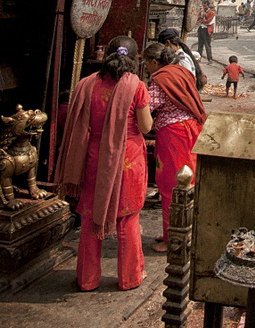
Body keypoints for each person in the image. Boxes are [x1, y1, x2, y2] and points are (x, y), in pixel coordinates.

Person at [55, 36, 152, 292]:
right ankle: (129, 277)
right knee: (127, 219)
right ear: (133, 58)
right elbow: (146, 126)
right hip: (127, 159)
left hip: (94, 156)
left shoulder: (86, 84)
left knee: (89, 218)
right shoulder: (137, 86)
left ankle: (87, 279)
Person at [142, 41, 207, 253]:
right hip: (190, 129)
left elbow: (147, 107)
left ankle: (173, 239)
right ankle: (181, 231)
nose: (146, 68)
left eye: (146, 63)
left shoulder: (161, 79)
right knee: (189, 183)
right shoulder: (181, 71)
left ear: (154, 62)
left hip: (174, 135)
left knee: (172, 185)